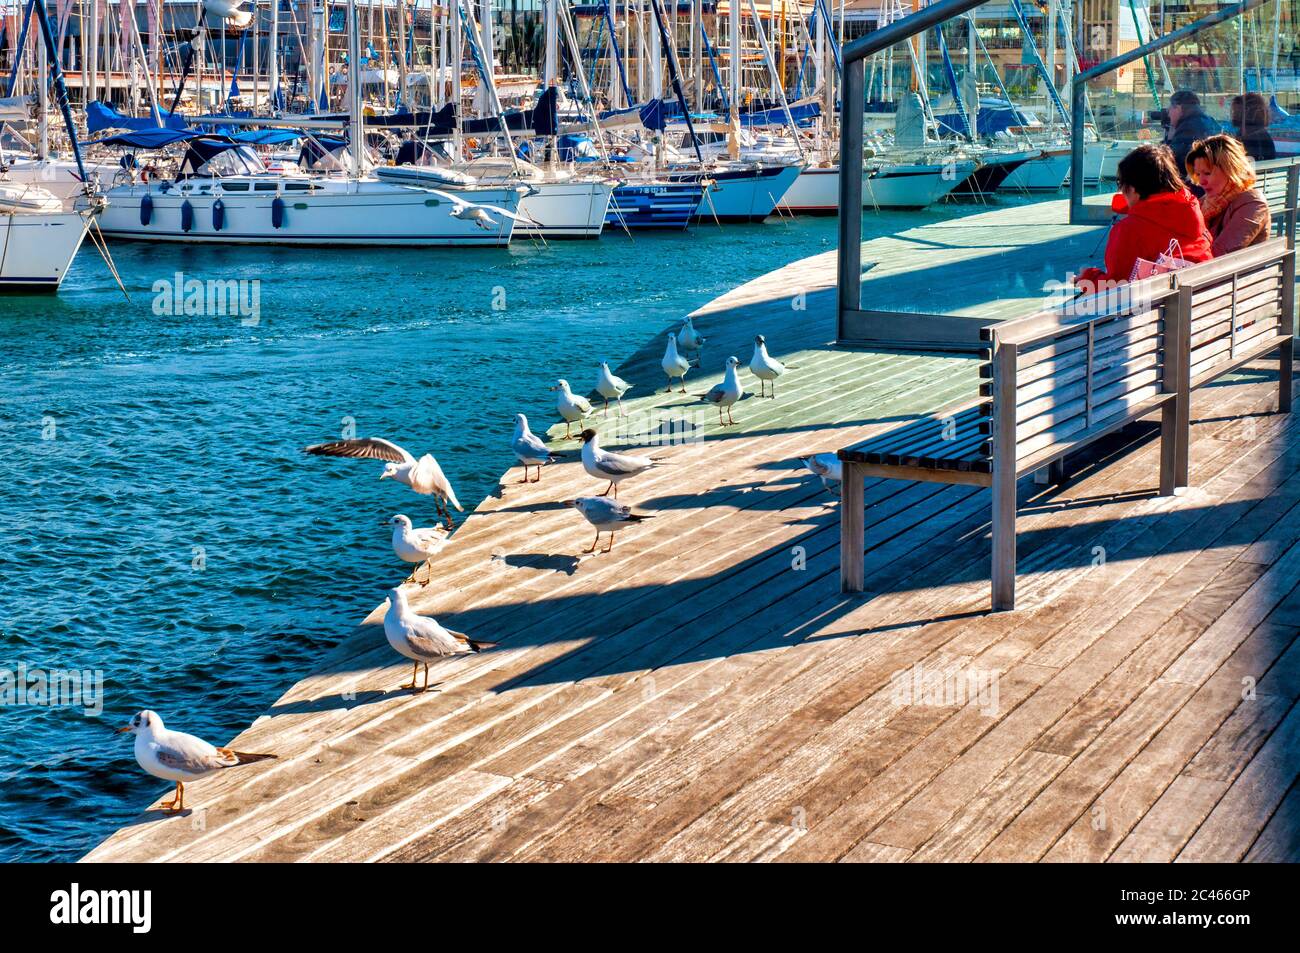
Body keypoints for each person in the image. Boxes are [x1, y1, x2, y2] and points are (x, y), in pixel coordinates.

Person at [1075, 144, 1213, 287]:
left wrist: (1087, 277)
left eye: (1121, 184)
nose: (1121, 190)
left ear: (1133, 189)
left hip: (1155, 307)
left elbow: (1115, 289)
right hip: (1204, 300)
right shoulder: (1191, 212)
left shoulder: (1129, 230)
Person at [1186, 134, 1272, 255]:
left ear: (1230, 169)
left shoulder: (1252, 203)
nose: (1201, 182)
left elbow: (1219, 253)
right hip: (1212, 271)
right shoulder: (1205, 202)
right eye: (1198, 174)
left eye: (1207, 173)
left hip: (1237, 273)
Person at [1163, 90, 1221, 177]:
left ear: (1178, 108)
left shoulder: (1187, 128)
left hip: (1198, 179)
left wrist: (1169, 140)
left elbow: (1170, 161)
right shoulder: (1209, 121)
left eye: (1170, 109)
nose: (1168, 114)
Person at [1230, 92, 1277, 161]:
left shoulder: (1254, 138)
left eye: (1236, 110)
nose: (1234, 113)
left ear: (1247, 112)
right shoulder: (1255, 134)